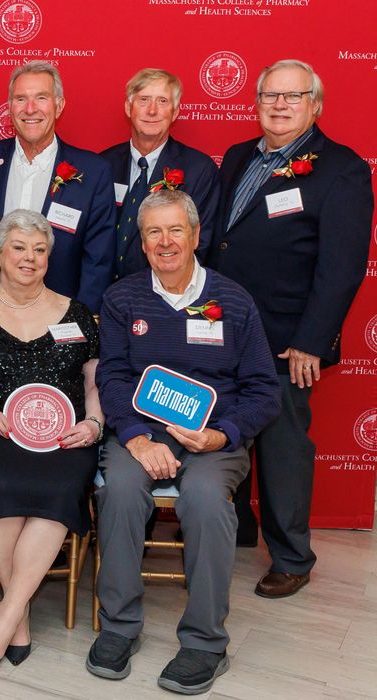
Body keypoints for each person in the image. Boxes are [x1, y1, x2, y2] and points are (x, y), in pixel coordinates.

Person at [88, 190, 280, 695]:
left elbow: (264, 390)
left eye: (176, 230)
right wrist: (133, 437)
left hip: (213, 438)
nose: (166, 242)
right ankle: (119, 626)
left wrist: (222, 433)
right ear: (142, 241)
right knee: (121, 493)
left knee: (205, 501)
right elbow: (111, 379)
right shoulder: (122, 298)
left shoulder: (234, 301)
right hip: (140, 434)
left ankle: (204, 643)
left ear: (196, 236)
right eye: (154, 232)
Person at [209, 59, 373, 598]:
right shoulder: (238, 157)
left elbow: (343, 266)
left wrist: (311, 339)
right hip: (221, 327)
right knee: (224, 429)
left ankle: (292, 558)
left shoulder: (341, 168)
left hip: (285, 339)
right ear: (255, 103)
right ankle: (239, 529)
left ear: (315, 105)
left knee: (281, 447)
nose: (279, 106)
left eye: (292, 96)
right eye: (269, 96)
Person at [0, 209, 102, 677]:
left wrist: (94, 425)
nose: (29, 258)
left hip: (65, 437)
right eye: (19, 248)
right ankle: (18, 617)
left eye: (39, 250)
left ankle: (6, 614)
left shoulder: (76, 313)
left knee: (60, 491)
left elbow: (96, 385)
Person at [0, 61, 115, 311]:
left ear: (59, 105)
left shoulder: (93, 172)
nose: (30, 109)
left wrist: (81, 321)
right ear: (9, 107)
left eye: (41, 98)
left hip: (56, 316)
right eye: (21, 99)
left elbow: (99, 259)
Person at [100, 68, 219, 280]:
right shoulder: (103, 164)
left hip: (160, 296)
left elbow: (199, 244)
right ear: (129, 108)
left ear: (175, 112)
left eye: (162, 101)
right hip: (103, 293)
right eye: (144, 100)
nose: (152, 110)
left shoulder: (198, 169)